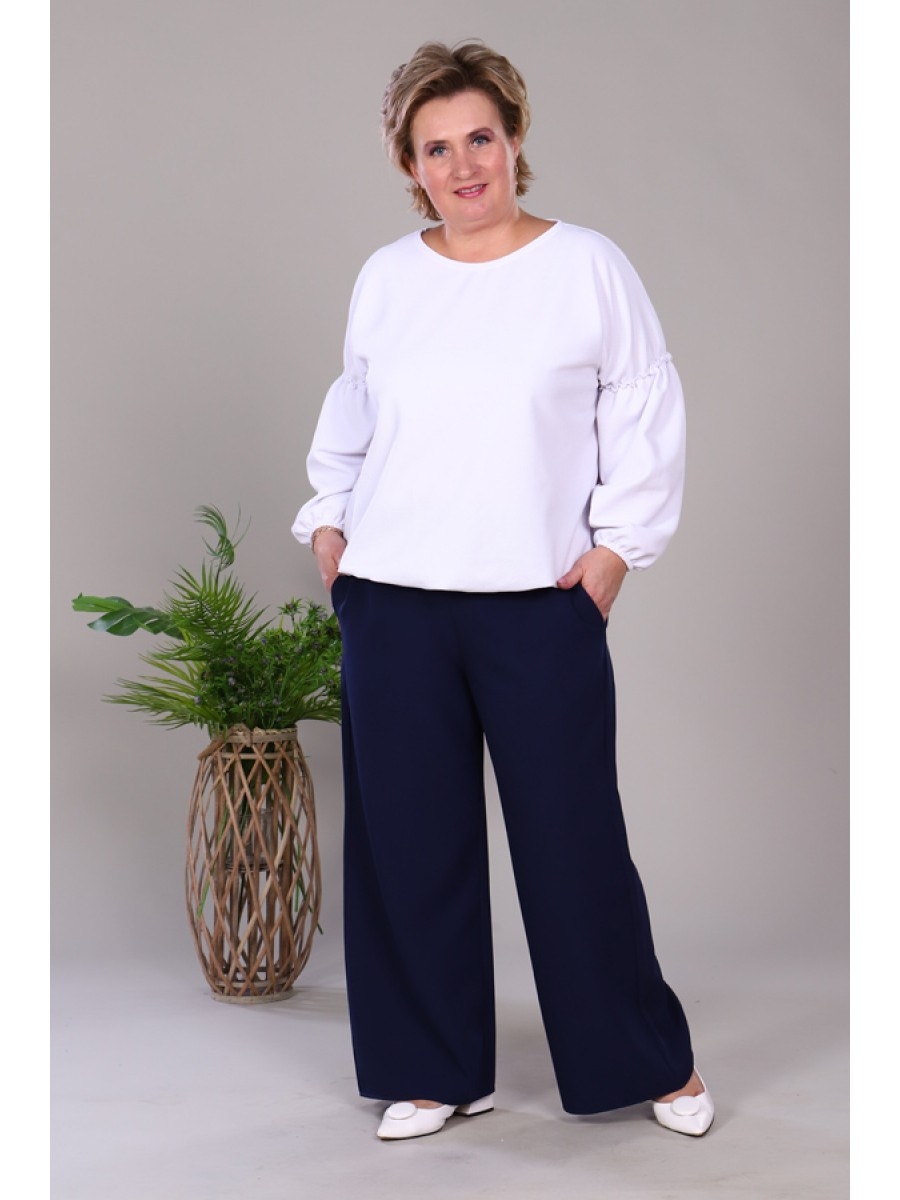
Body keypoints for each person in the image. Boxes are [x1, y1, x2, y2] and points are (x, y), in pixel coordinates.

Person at [292, 39, 714, 1142]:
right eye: (436, 148)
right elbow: (356, 413)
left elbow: (644, 411)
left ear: (515, 139)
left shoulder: (587, 267)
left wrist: (615, 554)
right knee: (409, 848)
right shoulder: (388, 279)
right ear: (410, 166)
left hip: (538, 604)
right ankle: (435, 1070)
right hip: (393, 603)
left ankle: (648, 1060)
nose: (463, 165)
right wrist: (330, 524)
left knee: (575, 845)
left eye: (480, 137)